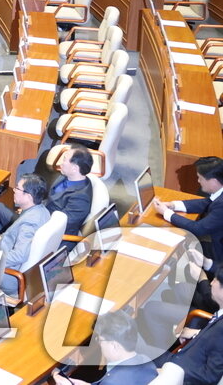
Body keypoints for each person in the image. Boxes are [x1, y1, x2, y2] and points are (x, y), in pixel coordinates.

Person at [153, 156, 223, 308]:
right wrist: (172, 205)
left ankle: (187, 295)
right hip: (217, 245)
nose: (198, 181)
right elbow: (206, 203)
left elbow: (198, 229)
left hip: (220, 257)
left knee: (186, 245)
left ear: (213, 181)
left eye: (200, 178)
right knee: (186, 248)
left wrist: (167, 214)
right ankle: (178, 290)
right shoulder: (220, 193)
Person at [51, 310, 157, 385]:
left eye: (100, 340)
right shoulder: (145, 360)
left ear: (114, 345)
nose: (99, 344)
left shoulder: (113, 381)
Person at [160, 273, 223, 385]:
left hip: (179, 371)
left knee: (140, 359)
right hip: (186, 356)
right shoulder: (220, 318)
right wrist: (196, 333)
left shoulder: (220, 330)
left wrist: (172, 371)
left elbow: (210, 377)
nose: (211, 283)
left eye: (215, 280)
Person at [47, 146, 95, 236]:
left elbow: (61, 225)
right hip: (45, 215)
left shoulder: (81, 199)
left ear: (74, 168)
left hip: (54, 236)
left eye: (64, 160)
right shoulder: (67, 176)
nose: (61, 163)